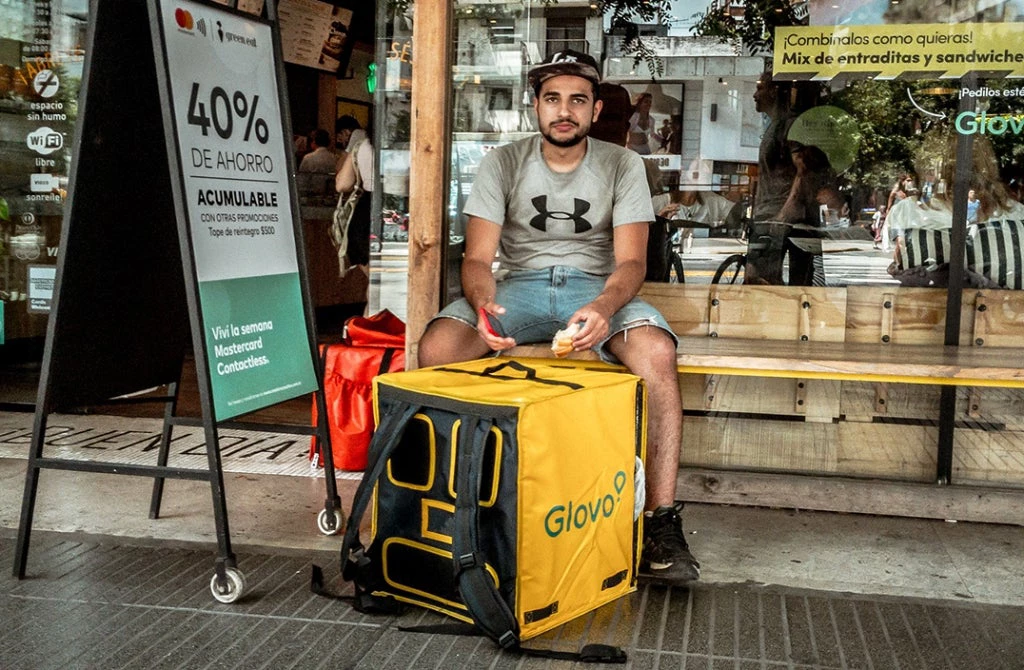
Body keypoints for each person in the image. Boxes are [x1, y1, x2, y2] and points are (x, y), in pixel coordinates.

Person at [417, 50, 700, 583]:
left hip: (597, 291)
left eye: (577, 99)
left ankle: (661, 524)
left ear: (594, 110)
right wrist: (483, 306)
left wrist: (601, 307)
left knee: (658, 355)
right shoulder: (503, 161)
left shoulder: (623, 164)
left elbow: (632, 261)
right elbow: (477, 260)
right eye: (552, 99)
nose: (564, 110)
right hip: (517, 289)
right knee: (438, 349)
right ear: (536, 107)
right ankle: (450, 513)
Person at [335, 121, 374, 277]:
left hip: (365, 214)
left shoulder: (362, 146)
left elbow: (342, 185)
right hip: (401, 210)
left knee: (375, 284)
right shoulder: (410, 145)